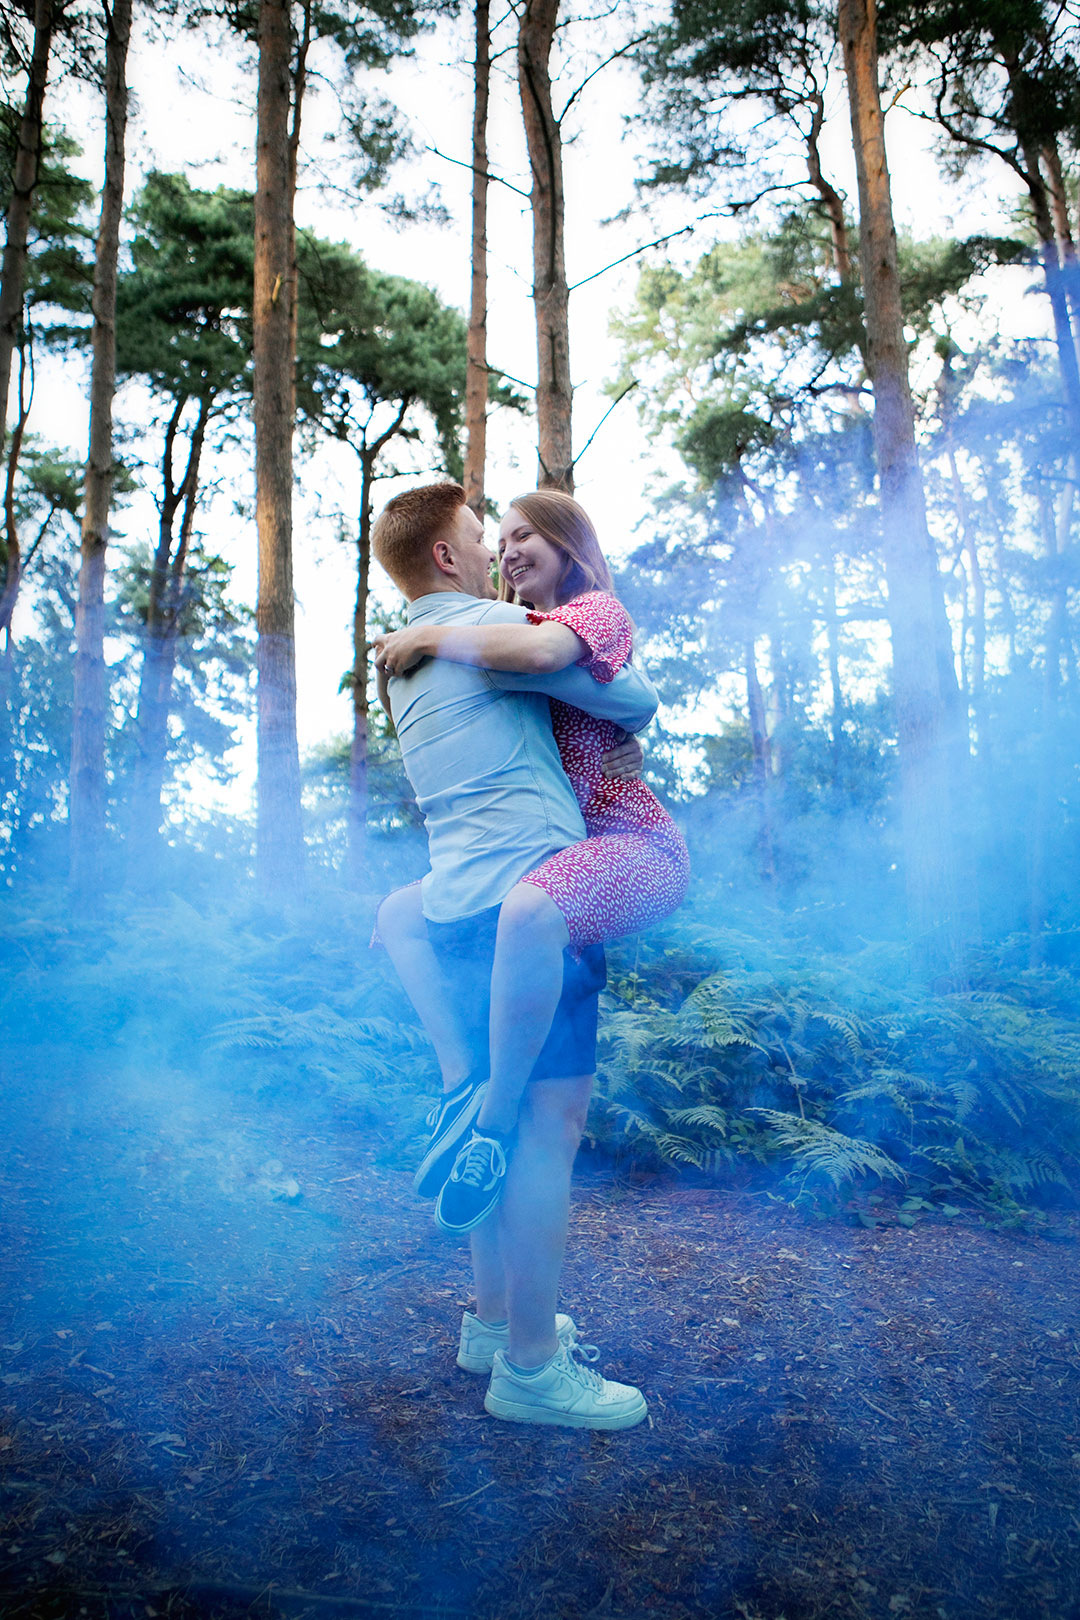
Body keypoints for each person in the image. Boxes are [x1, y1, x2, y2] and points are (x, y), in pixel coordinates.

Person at [371, 480, 655, 1430]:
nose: (497, 554)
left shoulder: (401, 663)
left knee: (497, 1130)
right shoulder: (492, 629)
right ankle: (532, 1368)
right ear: (447, 556)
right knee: (541, 1135)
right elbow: (630, 691)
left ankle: (493, 1324)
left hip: (456, 909)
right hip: (531, 895)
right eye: (481, 537)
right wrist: (628, 723)